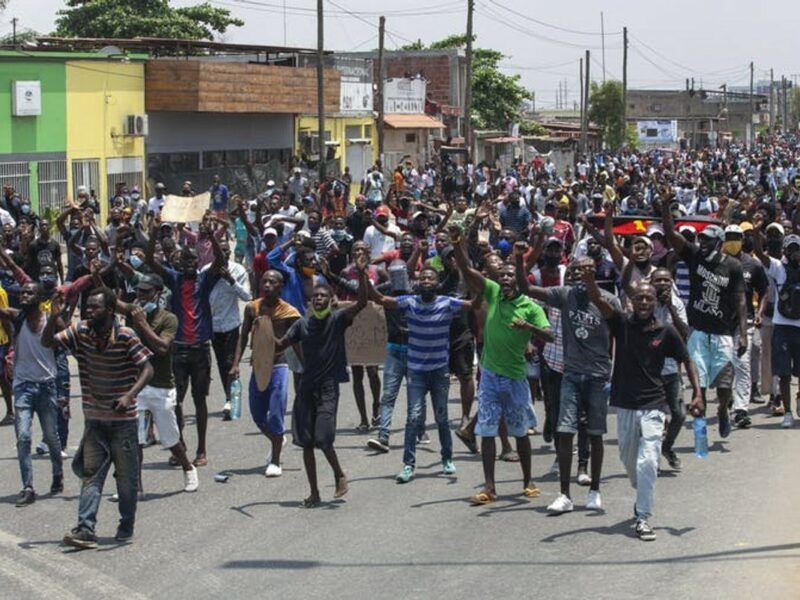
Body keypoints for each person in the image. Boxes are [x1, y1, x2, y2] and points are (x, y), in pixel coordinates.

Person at [583, 269, 702, 541]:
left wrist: (697, 393)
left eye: (649, 298)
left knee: (648, 461)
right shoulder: (621, 323)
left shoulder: (666, 331)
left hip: (654, 405)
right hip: (624, 404)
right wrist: (590, 277)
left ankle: (643, 517)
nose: (645, 303)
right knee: (630, 460)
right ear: (631, 301)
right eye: (640, 298)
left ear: (656, 302)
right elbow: (597, 299)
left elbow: (687, 359)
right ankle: (642, 490)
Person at [43, 288, 154, 549]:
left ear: (110, 310)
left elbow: (147, 368)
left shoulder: (126, 336)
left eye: (95, 307)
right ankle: (85, 528)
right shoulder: (81, 332)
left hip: (123, 421)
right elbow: (48, 342)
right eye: (87, 307)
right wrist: (53, 317)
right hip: (94, 419)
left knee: (126, 480)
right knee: (91, 475)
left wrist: (129, 395)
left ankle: (126, 523)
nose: (89, 311)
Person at [453, 237, 553, 504]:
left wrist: (529, 329)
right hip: (490, 377)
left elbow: (550, 335)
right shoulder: (493, 292)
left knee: (520, 433)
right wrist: (457, 242)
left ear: (520, 280)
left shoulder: (530, 306)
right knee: (487, 431)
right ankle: (489, 487)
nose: (506, 279)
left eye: (511, 275)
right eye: (503, 275)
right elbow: (467, 270)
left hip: (516, 378)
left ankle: (528, 480)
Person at [519, 256, 620, 515]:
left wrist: (591, 283)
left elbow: (612, 320)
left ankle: (594, 489)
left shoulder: (609, 299)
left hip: (598, 376)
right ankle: (564, 494)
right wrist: (520, 260)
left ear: (594, 272)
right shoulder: (565, 295)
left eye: (585, 271)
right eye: (574, 271)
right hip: (571, 374)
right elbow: (527, 289)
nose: (578, 276)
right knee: (565, 431)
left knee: (595, 433)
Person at [274, 256, 369, 508]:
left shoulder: (338, 320)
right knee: (306, 443)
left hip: (328, 387)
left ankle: (339, 473)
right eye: (315, 296)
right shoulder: (301, 325)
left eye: (323, 296)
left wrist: (360, 273)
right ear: (309, 301)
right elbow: (278, 346)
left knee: (323, 439)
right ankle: (314, 492)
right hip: (306, 389)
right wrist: (261, 337)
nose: (318, 299)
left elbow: (362, 302)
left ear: (330, 300)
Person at [368, 266, 474, 483]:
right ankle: (408, 465)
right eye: (423, 277)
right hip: (416, 371)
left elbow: (474, 306)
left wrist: (481, 284)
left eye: (431, 278)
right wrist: (363, 274)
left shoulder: (447, 303)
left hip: (439, 370)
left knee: (442, 417)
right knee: (413, 418)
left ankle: (446, 458)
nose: (426, 280)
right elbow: (379, 298)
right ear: (418, 283)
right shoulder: (409, 302)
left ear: (437, 283)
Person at [662, 198, 747, 439]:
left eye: (709, 240)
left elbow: (740, 300)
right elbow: (671, 235)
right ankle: (700, 437)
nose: (703, 243)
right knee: (697, 387)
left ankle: (722, 410)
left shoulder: (733, 266)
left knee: (724, 386)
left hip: (723, 333)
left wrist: (742, 334)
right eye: (702, 239)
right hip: (697, 331)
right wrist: (665, 207)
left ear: (719, 243)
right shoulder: (694, 255)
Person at [145, 217, 224, 467]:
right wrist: (155, 233)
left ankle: (201, 450)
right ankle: (178, 445)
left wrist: (212, 238)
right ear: (179, 263)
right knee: (175, 400)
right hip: (178, 350)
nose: (190, 264)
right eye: (185, 261)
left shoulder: (205, 280)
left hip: (200, 349)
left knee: (200, 400)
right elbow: (150, 261)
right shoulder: (175, 279)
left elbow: (219, 261)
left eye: (194, 261)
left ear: (199, 262)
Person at [116, 274, 199, 495]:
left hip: (161, 387)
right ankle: (136, 486)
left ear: (158, 293)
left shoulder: (168, 318)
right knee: (137, 441)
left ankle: (188, 468)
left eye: (147, 292)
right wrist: (97, 277)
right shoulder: (133, 312)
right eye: (139, 292)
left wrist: (143, 324)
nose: (142, 297)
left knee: (171, 438)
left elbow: (162, 348)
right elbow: (112, 302)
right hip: (138, 388)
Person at [230, 270, 301, 477]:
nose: (267, 285)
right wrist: (235, 364)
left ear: (281, 286)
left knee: (276, 412)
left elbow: (296, 342)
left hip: (279, 365)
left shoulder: (288, 312)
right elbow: (243, 337)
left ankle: (276, 461)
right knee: (258, 414)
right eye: (265, 281)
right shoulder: (253, 308)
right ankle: (277, 438)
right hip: (258, 366)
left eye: (272, 282)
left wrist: (305, 367)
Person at [0, 282, 63, 507]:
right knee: (23, 437)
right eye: (22, 292)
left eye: (29, 293)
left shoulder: (51, 319)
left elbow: (65, 345)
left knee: (52, 437)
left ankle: (58, 473)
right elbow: (3, 310)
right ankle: (28, 486)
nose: (23, 295)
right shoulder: (18, 318)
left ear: (39, 297)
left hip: (47, 387)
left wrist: (63, 393)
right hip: (23, 387)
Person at [753, 221, 800, 427]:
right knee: (784, 373)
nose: (795, 253)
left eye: (798, 249)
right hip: (782, 326)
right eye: (791, 250)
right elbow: (760, 255)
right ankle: (788, 413)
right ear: (785, 251)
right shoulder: (779, 268)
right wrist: (756, 233)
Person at [201, 238, 251, 421]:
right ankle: (229, 394)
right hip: (213, 326)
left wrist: (231, 280)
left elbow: (247, 296)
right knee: (222, 364)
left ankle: (230, 399)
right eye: (220, 251)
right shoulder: (206, 272)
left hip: (231, 324)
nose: (223, 254)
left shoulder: (238, 270)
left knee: (231, 361)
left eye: (226, 251)